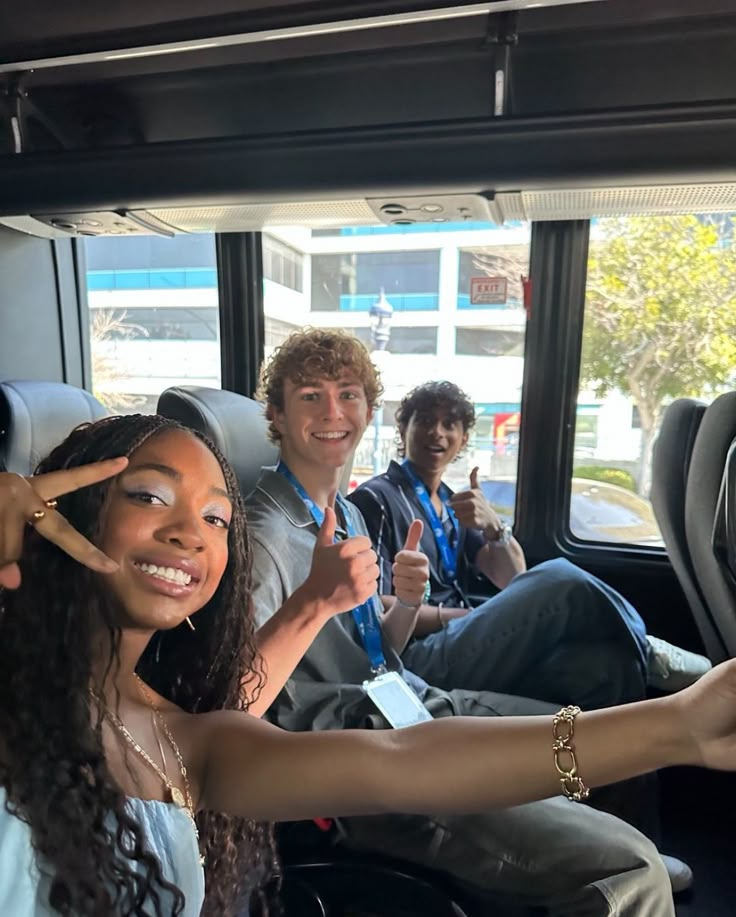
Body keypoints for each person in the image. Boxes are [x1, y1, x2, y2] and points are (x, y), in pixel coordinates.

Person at [3, 415, 736, 917]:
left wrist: (679, 727)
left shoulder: (187, 744)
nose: (189, 532)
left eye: (216, 518)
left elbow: (402, 759)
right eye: (149, 495)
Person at [246, 328, 702, 915]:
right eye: (310, 396)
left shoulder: (348, 514)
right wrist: (314, 599)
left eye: (349, 394)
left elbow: (375, 655)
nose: (333, 412)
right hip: (359, 756)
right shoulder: (262, 534)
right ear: (276, 415)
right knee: (630, 867)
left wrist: (406, 603)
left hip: (408, 700)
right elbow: (240, 704)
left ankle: (613, 839)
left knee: (603, 736)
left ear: (368, 409)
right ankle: (627, 840)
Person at [350, 380, 712, 704]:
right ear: (403, 428)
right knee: (561, 579)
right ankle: (649, 648)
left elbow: (514, 578)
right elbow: (376, 606)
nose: (437, 433)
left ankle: (622, 773)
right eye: (425, 421)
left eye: (450, 424)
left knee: (609, 667)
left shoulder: (451, 501)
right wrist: (468, 617)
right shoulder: (377, 499)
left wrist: (494, 527)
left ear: (462, 439)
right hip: (413, 655)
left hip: (462, 638)